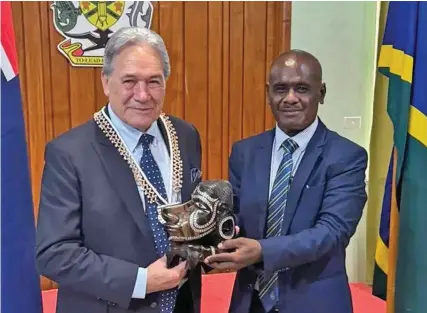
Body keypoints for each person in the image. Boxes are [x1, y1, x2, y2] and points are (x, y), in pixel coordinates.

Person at [36, 27, 203, 313]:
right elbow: (54, 253)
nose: (142, 95)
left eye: (154, 81)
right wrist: (141, 281)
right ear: (105, 81)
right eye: (129, 81)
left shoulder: (185, 135)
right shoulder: (69, 153)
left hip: (182, 303)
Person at [205, 49, 368, 313]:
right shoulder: (245, 152)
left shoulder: (346, 156)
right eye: (281, 89)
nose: (290, 98)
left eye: (302, 88)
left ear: (321, 93)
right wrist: (209, 232)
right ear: (268, 93)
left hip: (314, 303)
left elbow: (332, 232)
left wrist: (261, 251)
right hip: (251, 302)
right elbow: (234, 218)